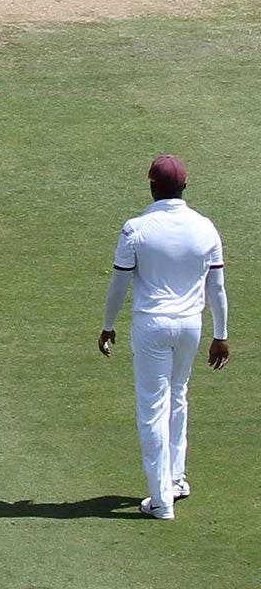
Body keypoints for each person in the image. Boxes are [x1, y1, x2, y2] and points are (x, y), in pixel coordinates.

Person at [99, 155, 230, 521]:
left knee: (152, 408)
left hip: (151, 326)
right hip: (191, 325)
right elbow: (216, 288)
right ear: (184, 186)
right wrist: (221, 335)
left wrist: (108, 325)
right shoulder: (206, 227)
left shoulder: (135, 228)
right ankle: (175, 478)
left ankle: (161, 501)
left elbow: (119, 285)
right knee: (178, 394)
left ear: (152, 186)